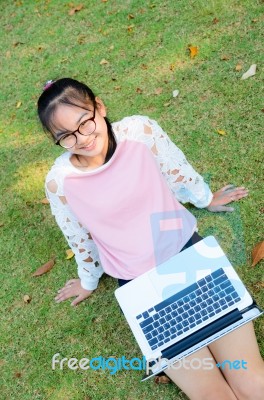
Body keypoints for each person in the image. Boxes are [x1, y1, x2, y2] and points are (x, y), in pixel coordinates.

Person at [37, 78, 263, 400]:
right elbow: (79, 237)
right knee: (214, 395)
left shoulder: (139, 132)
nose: (82, 139)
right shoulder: (60, 182)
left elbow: (175, 169)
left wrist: (204, 198)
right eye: (66, 136)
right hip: (139, 287)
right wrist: (88, 281)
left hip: (190, 256)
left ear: (99, 108)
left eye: (85, 123)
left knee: (251, 380)